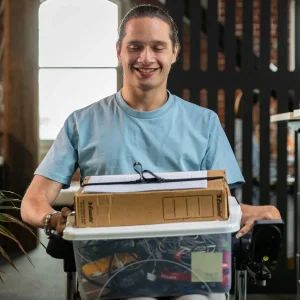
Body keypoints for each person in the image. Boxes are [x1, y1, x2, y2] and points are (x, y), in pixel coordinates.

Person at [20, 4, 281, 300]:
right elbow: (33, 201)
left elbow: (221, 208)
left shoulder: (204, 123)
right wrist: (52, 220)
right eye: (135, 47)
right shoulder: (83, 123)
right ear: (119, 51)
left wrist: (260, 212)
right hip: (113, 269)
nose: (146, 58)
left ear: (174, 52)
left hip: (194, 267)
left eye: (158, 47)